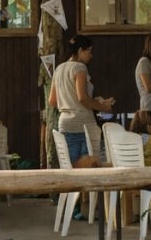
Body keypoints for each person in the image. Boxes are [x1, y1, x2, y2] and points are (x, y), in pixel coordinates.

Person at [49, 35, 115, 164]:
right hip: (82, 126)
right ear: (80, 51)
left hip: (64, 125)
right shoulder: (80, 68)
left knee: (71, 168)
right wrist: (104, 107)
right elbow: (82, 98)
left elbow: (52, 100)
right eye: (89, 51)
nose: (91, 55)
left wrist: (93, 100)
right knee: (87, 168)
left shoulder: (59, 68)